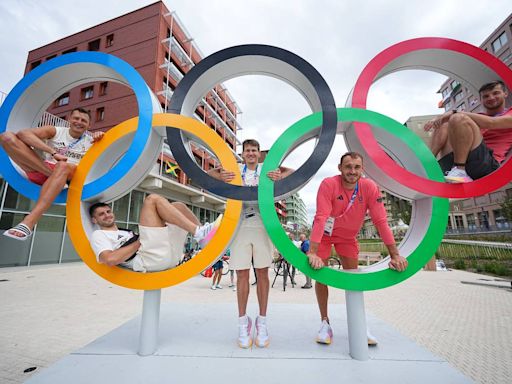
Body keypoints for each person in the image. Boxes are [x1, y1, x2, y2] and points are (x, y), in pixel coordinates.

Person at [307, 152, 408, 346]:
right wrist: (312, 251)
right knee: (320, 276)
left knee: (353, 279)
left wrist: (395, 255)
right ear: (340, 168)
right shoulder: (329, 184)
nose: (352, 171)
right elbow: (321, 217)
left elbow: (380, 221)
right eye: (348, 167)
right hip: (325, 237)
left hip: (347, 238)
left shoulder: (369, 187)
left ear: (362, 169)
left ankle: (359, 324)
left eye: (356, 167)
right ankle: (325, 323)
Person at [209, 139, 292, 348]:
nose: (252, 153)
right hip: (240, 222)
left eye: (255, 150)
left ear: (259, 154)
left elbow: (294, 172)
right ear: (243, 154)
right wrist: (220, 173)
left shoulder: (267, 168)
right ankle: (242, 322)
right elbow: (206, 177)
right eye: (247, 151)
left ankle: (262, 322)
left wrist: (280, 175)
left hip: (263, 223)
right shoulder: (235, 169)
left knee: (263, 272)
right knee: (242, 274)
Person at [1, 108, 104, 240]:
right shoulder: (55, 131)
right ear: (69, 120)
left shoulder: (91, 142)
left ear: (89, 125)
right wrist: (52, 152)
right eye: (76, 118)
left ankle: (29, 221)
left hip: (70, 174)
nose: (79, 122)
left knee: (63, 166)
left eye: (84, 120)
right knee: (7, 137)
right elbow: (23, 134)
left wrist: (102, 137)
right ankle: (53, 175)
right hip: (44, 169)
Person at [89, 194, 221, 272]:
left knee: (178, 206)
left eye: (108, 211)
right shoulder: (99, 235)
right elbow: (110, 259)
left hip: (169, 256)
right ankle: (199, 232)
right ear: (94, 220)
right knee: (152, 199)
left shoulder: (124, 231)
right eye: (101, 214)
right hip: (149, 260)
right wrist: (139, 242)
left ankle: (203, 238)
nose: (107, 215)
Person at [424, 80, 512, 183]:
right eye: (486, 96)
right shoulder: (478, 117)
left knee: (458, 118)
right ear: (481, 100)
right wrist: (440, 120)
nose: (491, 98)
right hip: (458, 161)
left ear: (505, 94)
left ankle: (460, 170)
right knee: (444, 123)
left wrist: (453, 112)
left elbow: (491, 123)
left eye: (496, 93)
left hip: (486, 166)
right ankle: (427, 165)